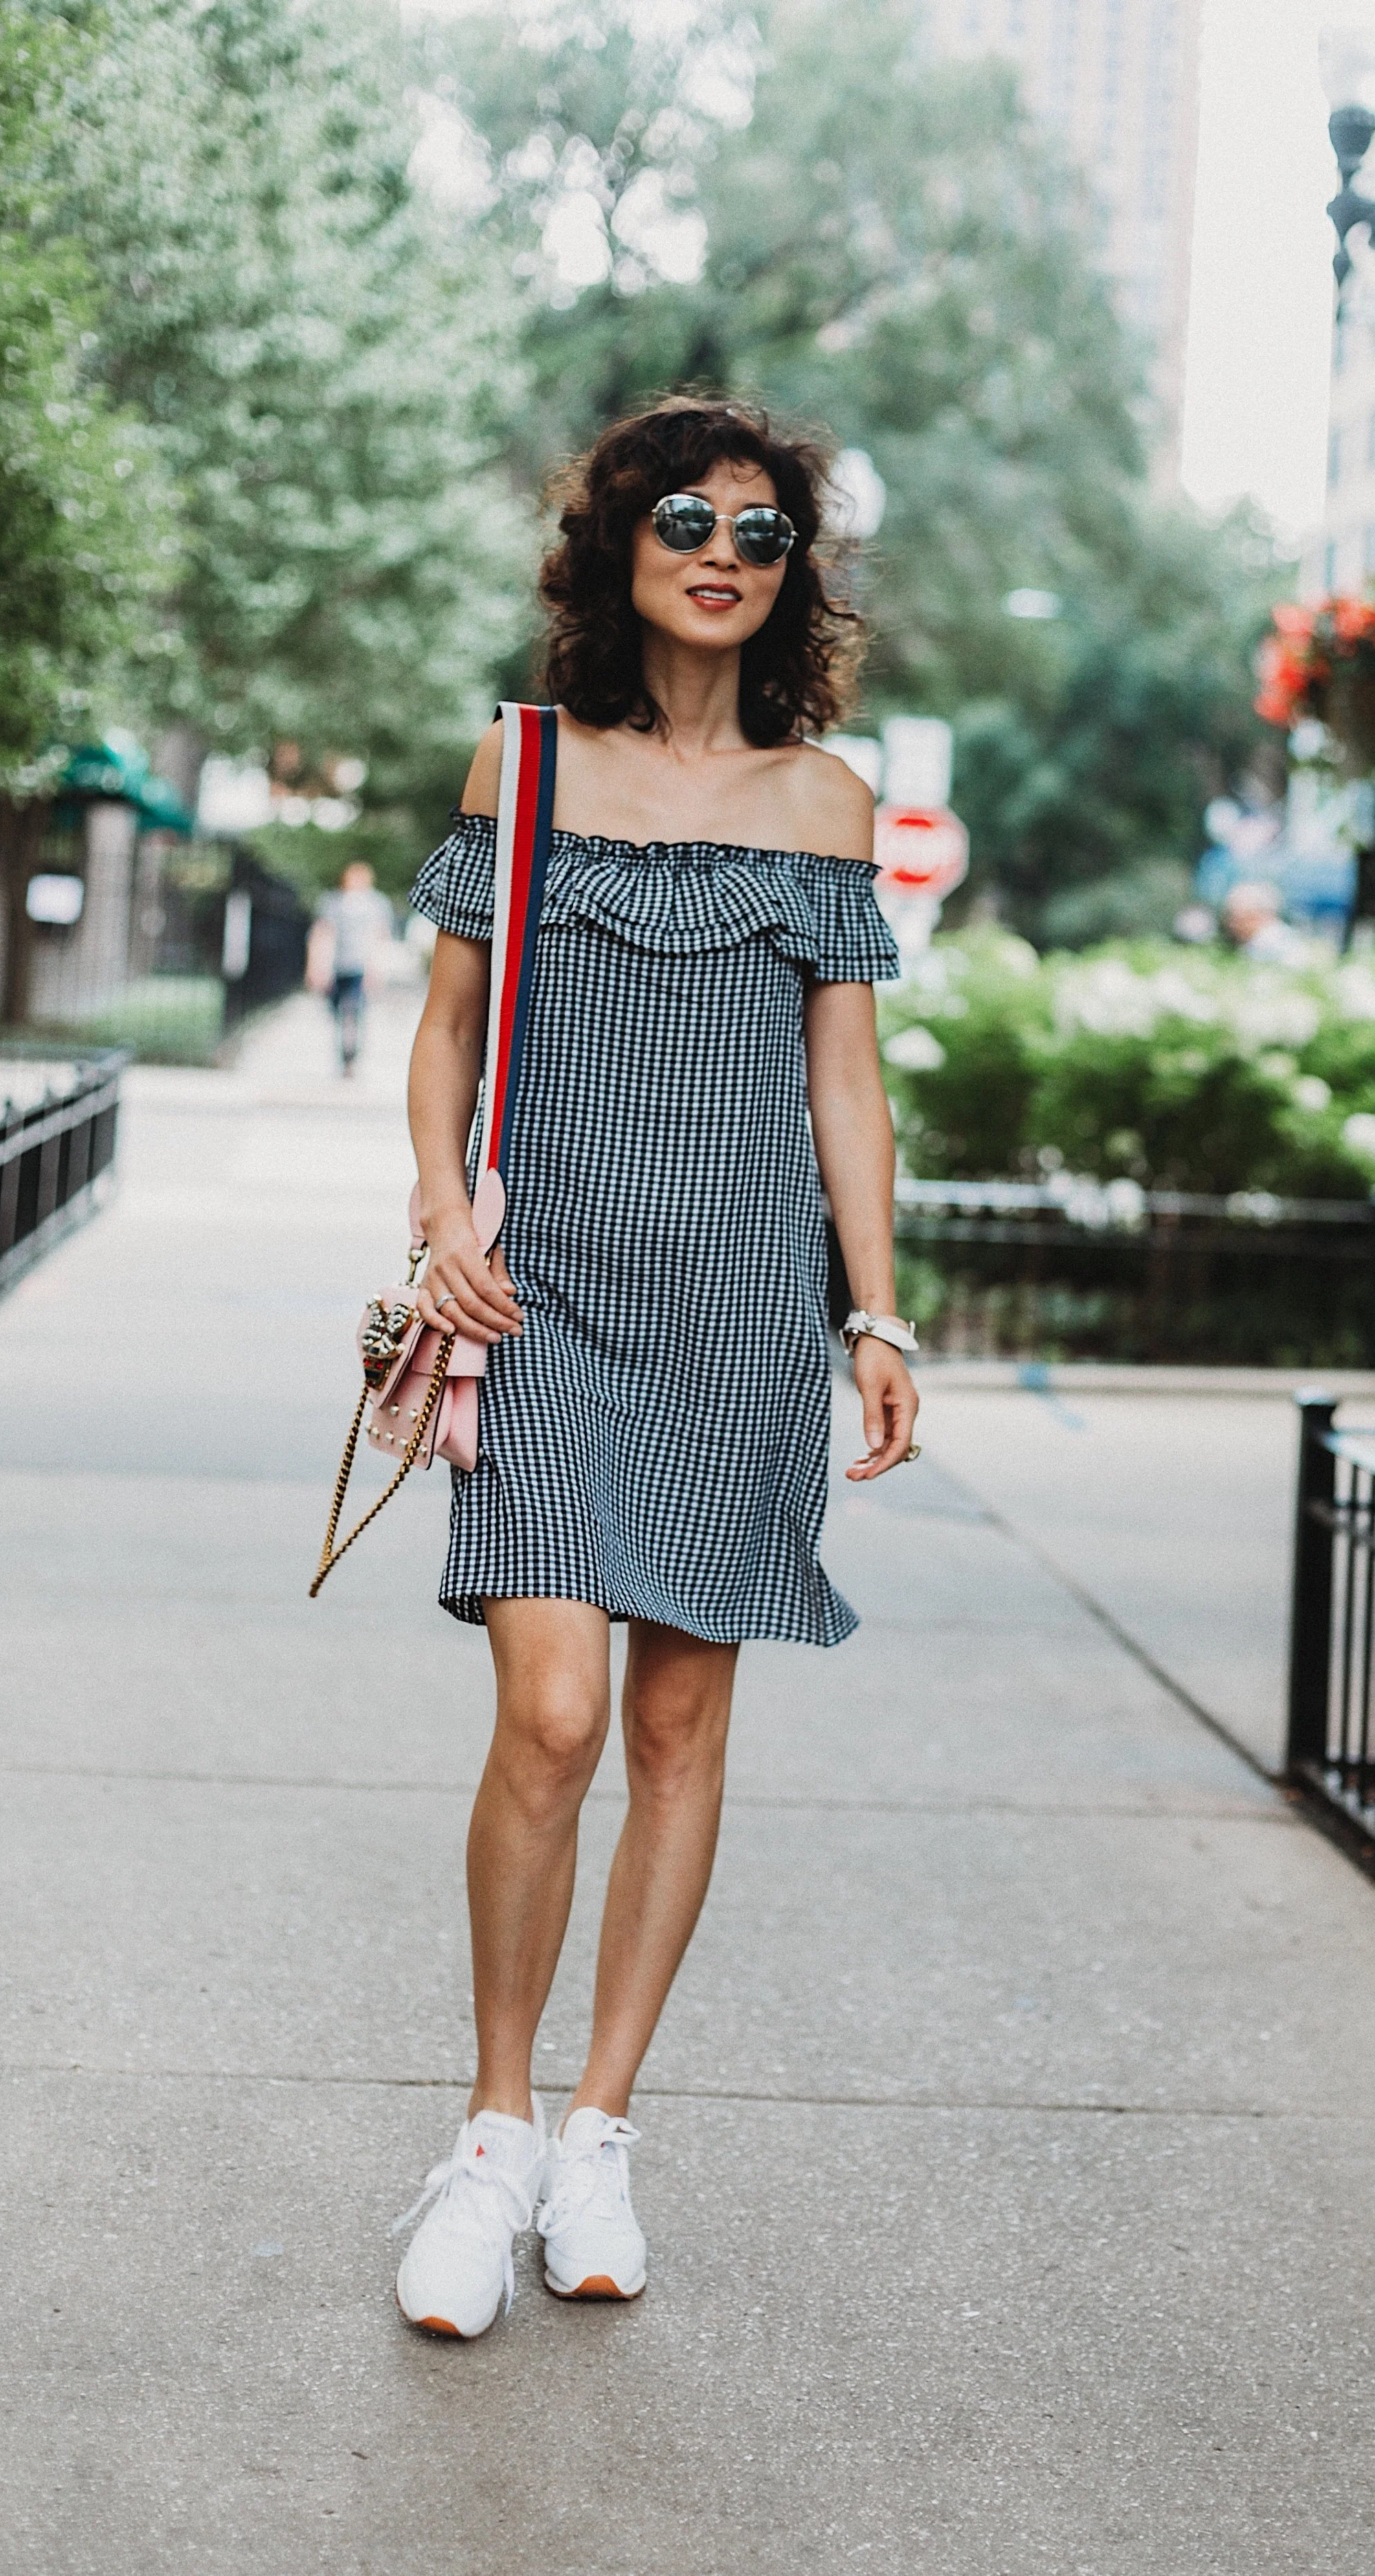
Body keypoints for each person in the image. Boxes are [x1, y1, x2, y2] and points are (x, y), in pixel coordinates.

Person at [390, 398, 919, 2337]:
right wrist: (443, 1211)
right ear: (615, 545)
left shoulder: (826, 803)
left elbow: (843, 1082)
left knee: (680, 1726)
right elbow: (448, 1032)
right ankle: (490, 2133)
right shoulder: (522, 763)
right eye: (682, 516)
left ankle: (601, 2127)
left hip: (746, 1322)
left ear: (793, 575)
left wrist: (875, 1311)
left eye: (760, 529)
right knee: (548, 1717)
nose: (720, 546)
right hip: (542, 1308)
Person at [311, 860, 396, 1074]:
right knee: (337, 1010)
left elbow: (380, 938)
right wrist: (317, 967)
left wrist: (378, 968)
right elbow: (322, 934)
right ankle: (344, 1050)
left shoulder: (377, 904)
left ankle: (350, 1056)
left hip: (361, 967)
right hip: (337, 966)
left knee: (355, 1010)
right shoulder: (333, 902)